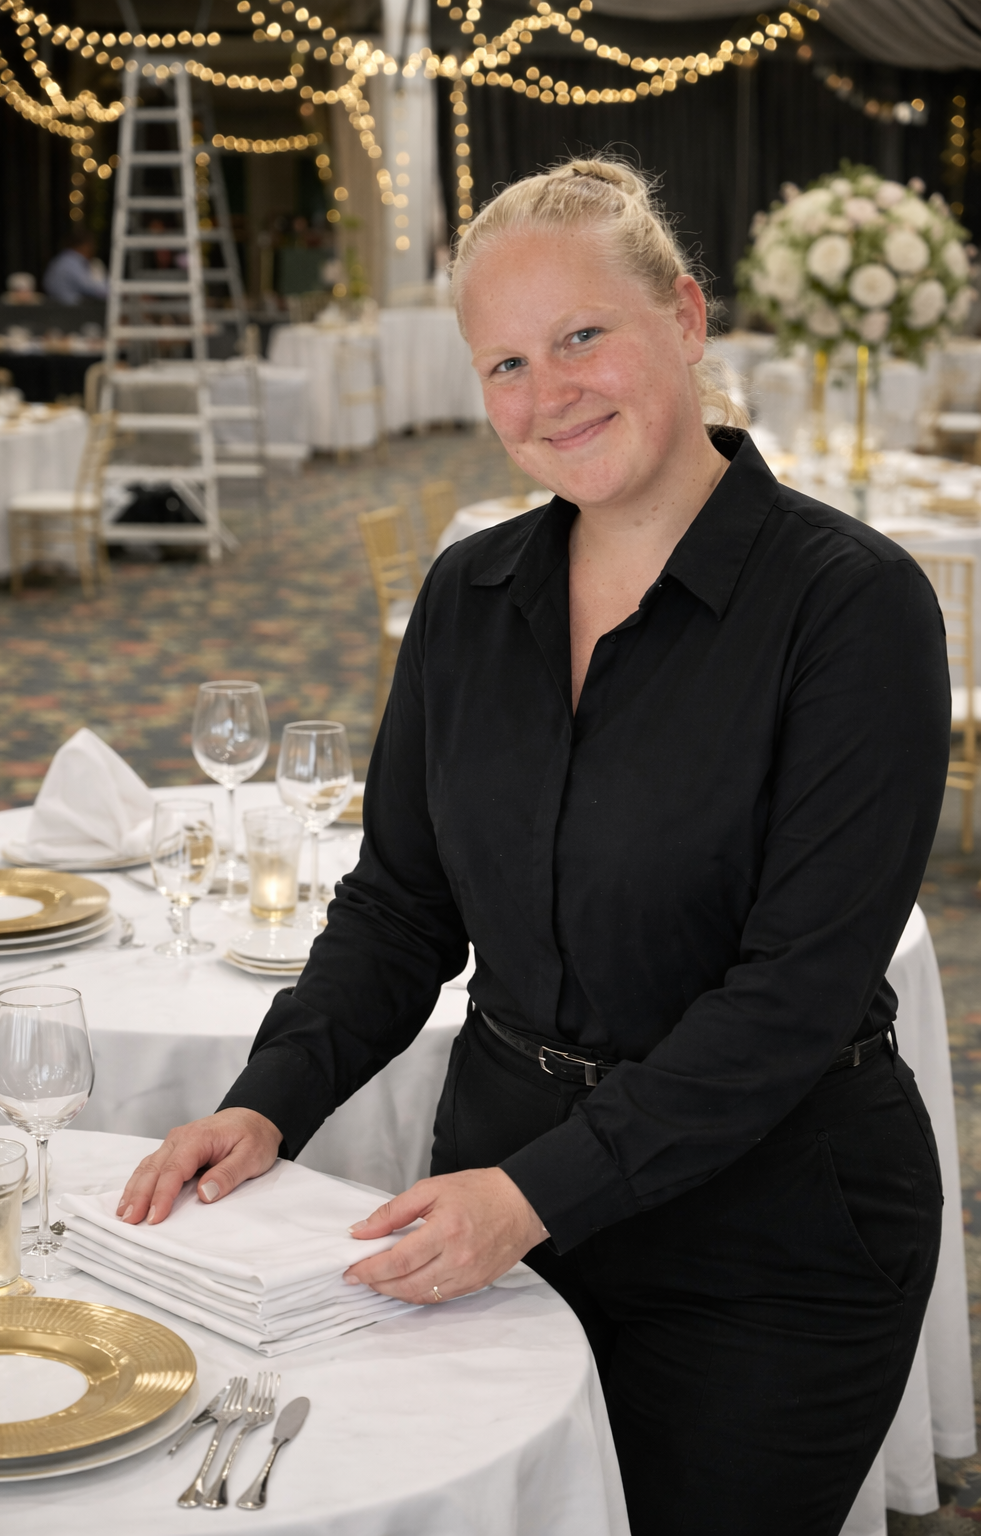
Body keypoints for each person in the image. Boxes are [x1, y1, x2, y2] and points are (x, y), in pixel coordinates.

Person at [119, 159, 950, 1534]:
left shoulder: (852, 609)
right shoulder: (467, 595)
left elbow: (794, 995)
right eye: (506, 361)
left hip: (770, 1228)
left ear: (685, 317)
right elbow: (397, 907)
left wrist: (532, 1195)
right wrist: (272, 1096)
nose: (547, 391)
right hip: (496, 1186)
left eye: (583, 336)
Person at [42, 234, 108, 304]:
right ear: (85, 246)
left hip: (59, 306)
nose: (94, 250)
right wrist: (114, 291)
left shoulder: (62, 259)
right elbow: (90, 287)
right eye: (92, 246)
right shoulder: (71, 261)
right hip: (69, 308)